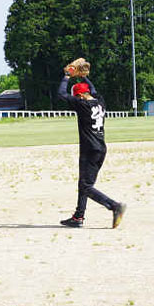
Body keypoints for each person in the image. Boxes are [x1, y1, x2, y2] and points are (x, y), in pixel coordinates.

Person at [57, 66, 126, 228]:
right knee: (84, 183)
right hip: (100, 148)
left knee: (86, 186)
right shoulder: (100, 102)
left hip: (89, 150)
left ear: (80, 95)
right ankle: (78, 217)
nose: (75, 99)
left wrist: (67, 76)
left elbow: (61, 94)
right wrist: (83, 76)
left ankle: (114, 206)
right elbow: (93, 89)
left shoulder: (82, 104)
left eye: (76, 96)